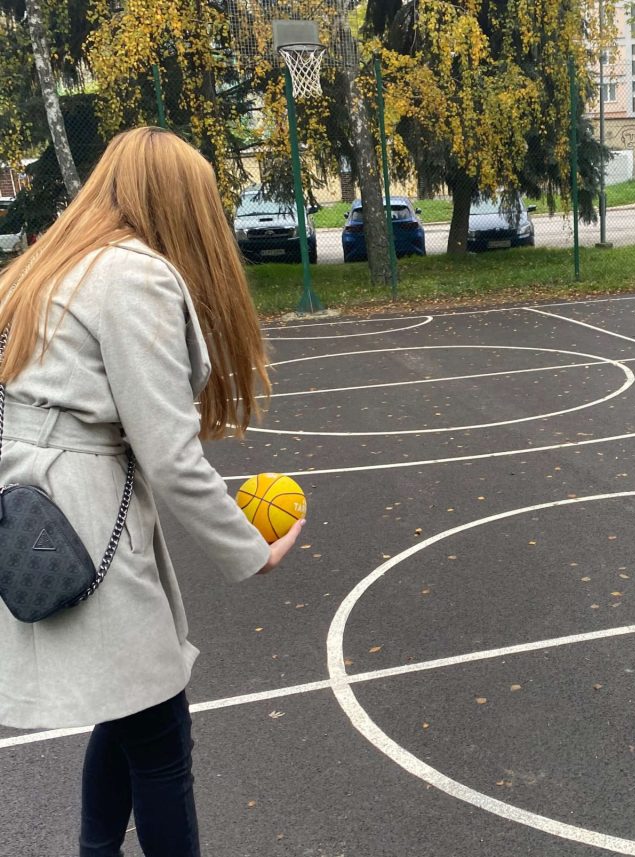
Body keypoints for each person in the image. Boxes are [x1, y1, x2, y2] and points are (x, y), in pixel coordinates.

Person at [0, 127, 304, 857]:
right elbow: (169, 453)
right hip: (82, 515)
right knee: (161, 732)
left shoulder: (48, 265)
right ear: (179, 202)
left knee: (127, 704)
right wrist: (250, 549)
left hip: (33, 505)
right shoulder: (131, 274)